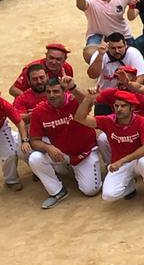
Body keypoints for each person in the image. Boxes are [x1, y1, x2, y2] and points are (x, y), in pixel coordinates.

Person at [24, 78, 101, 209]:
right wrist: (48, 148)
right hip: (61, 154)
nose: (52, 95)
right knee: (35, 158)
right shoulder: (39, 112)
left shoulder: (73, 101)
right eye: (48, 92)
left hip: (85, 153)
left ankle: (89, 173)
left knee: (90, 191)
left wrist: (73, 87)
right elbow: (35, 140)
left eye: (56, 91)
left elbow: (88, 101)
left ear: (64, 91)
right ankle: (57, 191)